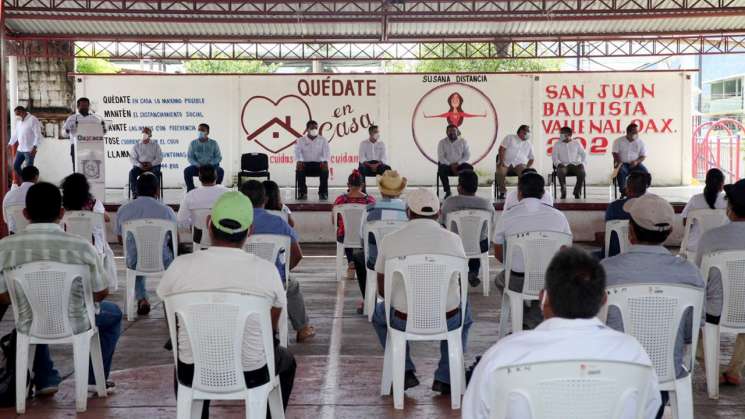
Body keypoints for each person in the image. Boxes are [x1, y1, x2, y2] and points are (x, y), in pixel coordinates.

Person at [463, 247, 660, 419]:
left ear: (543, 298)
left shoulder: (503, 356)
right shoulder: (634, 354)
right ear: (603, 300)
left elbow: (474, 413)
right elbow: (649, 410)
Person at [157, 191, 296, 418]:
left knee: (187, 356)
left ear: (209, 224)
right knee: (286, 361)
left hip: (193, 372)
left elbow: (167, 306)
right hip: (252, 372)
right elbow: (272, 323)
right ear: (249, 231)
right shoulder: (266, 271)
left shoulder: (179, 267)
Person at [0, 182, 121, 396]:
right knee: (114, 315)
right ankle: (94, 380)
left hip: (30, 320)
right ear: (62, 212)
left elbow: (1, 296)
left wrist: (30, 297)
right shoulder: (81, 246)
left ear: (26, 213)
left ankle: (46, 378)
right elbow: (101, 291)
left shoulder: (5, 247)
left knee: (35, 311)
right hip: (77, 321)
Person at [602, 193, 704, 418]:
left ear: (630, 232)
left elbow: (594, 326)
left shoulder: (605, 271)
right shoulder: (691, 274)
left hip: (615, 368)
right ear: (669, 232)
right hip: (665, 371)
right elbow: (690, 332)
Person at [372, 188, 473, 395]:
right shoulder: (454, 240)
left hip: (402, 317)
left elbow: (382, 289)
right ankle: (446, 377)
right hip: (448, 317)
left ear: (408, 212)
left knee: (378, 315)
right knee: (466, 314)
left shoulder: (390, 240)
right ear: (438, 213)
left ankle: (404, 371)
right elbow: (462, 284)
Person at [493, 172, 572, 330]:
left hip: (517, 280)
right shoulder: (559, 217)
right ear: (543, 193)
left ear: (519, 193)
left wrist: (510, 263)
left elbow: (497, 250)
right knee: (544, 285)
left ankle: (523, 318)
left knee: (500, 279)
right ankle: (533, 317)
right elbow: (566, 250)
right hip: (549, 280)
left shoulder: (507, 216)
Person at [241, 180, 316, 343]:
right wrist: (283, 273)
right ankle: (302, 329)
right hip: (273, 282)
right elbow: (297, 255)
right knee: (292, 286)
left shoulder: (237, 222)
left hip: (241, 281)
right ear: (265, 200)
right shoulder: (279, 222)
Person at [695, 178, 745, 386]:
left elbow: (699, 276)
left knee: (692, 316)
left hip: (716, 311)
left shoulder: (710, 237)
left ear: (730, 208)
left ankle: (713, 369)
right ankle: (734, 368)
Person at [116, 172, 177, 315]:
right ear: (157, 190)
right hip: (162, 259)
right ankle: (170, 299)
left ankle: (142, 298)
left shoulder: (124, 209)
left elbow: (120, 240)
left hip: (135, 261)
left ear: (136, 189)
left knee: (136, 255)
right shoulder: (167, 211)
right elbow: (174, 239)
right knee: (173, 260)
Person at [355, 170, 408, 314]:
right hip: (403, 260)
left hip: (375, 261)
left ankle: (368, 300)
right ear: (400, 191)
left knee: (359, 256)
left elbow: (361, 238)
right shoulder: (408, 211)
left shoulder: (369, 210)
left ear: (381, 189)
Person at [61, 173, 117, 290]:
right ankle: (99, 283)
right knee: (104, 246)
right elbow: (106, 218)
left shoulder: (62, 207)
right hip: (92, 249)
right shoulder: (94, 203)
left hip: (68, 248)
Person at [439, 170, 495, 288]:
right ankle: (472, 272)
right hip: (479, 246)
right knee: (478, 238)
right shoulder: (486, 204)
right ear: (476, 187)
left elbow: (442, 223)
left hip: (454, 245)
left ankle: (456, 273)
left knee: (450, 237)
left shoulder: (449, 202)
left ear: (459, 187)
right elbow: (490, 227)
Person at [334, 170, 376, 280]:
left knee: (345, 231)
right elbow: (373, 221)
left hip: (345, 237)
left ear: (348, 185)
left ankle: (351, 262)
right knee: (365, 233)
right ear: (362, 185)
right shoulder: (370, 201)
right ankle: (364, 264)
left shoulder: (340, 200)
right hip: (363, 237)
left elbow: (334, 221)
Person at [604, 170, 651, 257]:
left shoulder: (613, 207)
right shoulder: (652, 207)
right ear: (645, 189)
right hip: (646, 254)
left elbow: (608, 232)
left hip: (615, 254)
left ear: (627, 189)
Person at [177, 165, 229, 243]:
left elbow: (181, 220)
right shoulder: (227, 193)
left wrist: (193, 225)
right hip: (223, 239)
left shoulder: (190, 195)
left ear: (199, 178)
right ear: (216, 177)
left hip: (199, 240)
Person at [681, 168, 726, 256]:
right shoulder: (727, 200)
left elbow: (685, 223)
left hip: (694, 246)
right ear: (721, 184)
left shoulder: (695, 199)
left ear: (706, 182)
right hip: (719, 247)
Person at [64, 97, 105, 171]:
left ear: (88, 106)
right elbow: (64, 133)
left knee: (92, 167)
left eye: (86, 106)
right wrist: (68, 130)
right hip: (76, 146)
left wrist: (103, 128)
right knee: (77, 168)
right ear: (78, 107)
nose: (84, 108)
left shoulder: (95, 119)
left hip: (92, 146)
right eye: (82, 106)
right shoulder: (71, 118)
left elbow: (101, 133)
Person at [495, 125, 534, 200]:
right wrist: (501, 161)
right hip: (505, 162)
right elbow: (501, 149)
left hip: (520, 164)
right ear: (521, 132)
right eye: (527, 131)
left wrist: (527, 167)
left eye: (529, 132)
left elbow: (531, 158)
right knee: (499, 172)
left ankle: (521, 192)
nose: (528, 133)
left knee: (525, 173)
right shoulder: (510, 137)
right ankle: (503, 191)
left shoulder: (529, 144)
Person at [295, 120, 331, 200]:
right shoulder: (300, 140)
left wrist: (324, 161)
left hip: (319, 164)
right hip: (305, 164)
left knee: (325, 168)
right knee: (299, 167)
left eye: (315, 128)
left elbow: (327, 154)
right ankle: (302, 192)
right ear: (307, 129)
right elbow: (297, 153)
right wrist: (300, 161)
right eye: (312, 128)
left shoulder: (323, 140)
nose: (314, 129)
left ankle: (322, 192)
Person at [184, 123, 224, 192]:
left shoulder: (213, 143)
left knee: (220, 171)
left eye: (202, 130)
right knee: (187, 171)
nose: (200, 132)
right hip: (198, 167)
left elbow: (218, 157)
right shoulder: (193, 143)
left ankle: (216, 190)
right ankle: (190, 191)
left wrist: (210, 164)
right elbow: (190, 157)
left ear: (207, 132)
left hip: (211, 167)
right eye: (199, 130)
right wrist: (198, 165)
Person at [437, 124, 473, 198]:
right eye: (449, 131)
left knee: (469, 169)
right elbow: (441, 158)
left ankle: (465, 190)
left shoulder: (463, 141)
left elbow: (467, 155)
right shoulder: (442, 142)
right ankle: (447, 191)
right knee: (441, 169)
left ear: (457, 132)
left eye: (454, 131)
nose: (452, 132)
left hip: (460, 165)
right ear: (446, 132)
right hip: (447, 166)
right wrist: (451, 165)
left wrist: (458, 163)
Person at [613, 123, 648, 197]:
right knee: (621, 171)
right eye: (635, 132)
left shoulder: (640, 142)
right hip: (623, 163)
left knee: (645, 172)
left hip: (635, 164)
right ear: (628, 132)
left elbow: (643, 156)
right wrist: (619, 163)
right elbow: (615, 153)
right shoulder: (618, 141)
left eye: (637, 132)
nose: (637, 134)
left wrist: (636, 162)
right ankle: (624, 191)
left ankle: (642, 191)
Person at [551, 126, 586, 199]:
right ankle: (563, 191)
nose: (560, 135)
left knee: (582, 172)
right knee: (560, 171)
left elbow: (583, 154)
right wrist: (558, 164)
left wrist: (582, 163)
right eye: (560, 133)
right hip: (563, 165)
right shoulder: (557, 144)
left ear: (569, 135)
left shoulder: (576, 143)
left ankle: (577, 191)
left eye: (562, 133)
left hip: (575, 165)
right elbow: (554, 157)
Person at [9, 106, 42, 182]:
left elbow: (38, 135)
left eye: (18, 114)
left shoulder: (33, 120)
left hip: (29, 150)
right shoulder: (19, 122)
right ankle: (25, 181)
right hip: (20, 149)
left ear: (22, 112)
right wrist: (10, 143)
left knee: (29, 171)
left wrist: (34, 147)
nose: (17, 117)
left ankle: (29, 184)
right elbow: (16, 134)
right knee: (16, 166)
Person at [2, 165, 39, 233]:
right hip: (38, 239)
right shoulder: (45, 195)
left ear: (21, 178)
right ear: (36, 177)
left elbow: (6, 220)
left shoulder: (9, 195)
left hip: (14, 240)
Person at [128, 127, 163, 197]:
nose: (144, 134)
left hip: (152, 166)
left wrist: (151, 164)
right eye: (143, 132)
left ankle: (155, 193)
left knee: (156, 172)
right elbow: (132, 158)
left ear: (150, 135)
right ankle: (135, 193)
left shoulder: (155, 145)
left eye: (146, 133)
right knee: (132, 172)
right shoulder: (136, 145)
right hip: (140, 166)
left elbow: (159, 158)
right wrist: (139, 165)